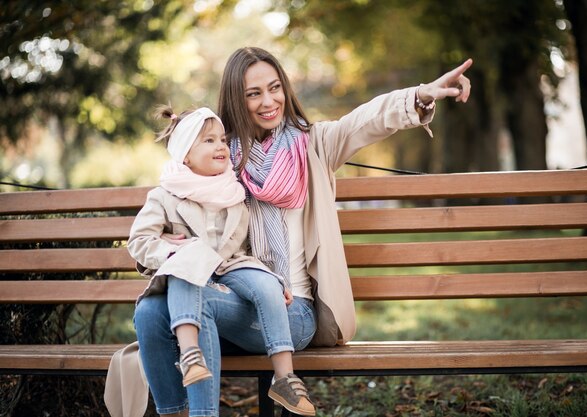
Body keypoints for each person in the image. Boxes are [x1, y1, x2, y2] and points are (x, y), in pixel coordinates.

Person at [111, 47, 472, 417]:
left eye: (274, 88)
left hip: (291, 311)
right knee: (150, 311)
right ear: (237, 99)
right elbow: (182, 212)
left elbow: (364, 121)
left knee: (188, 304)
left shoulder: (312, 144)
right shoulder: (220, 157)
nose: (268, 101)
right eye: (254, 93)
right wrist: (177, 246)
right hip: (228, 296)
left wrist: (421, 95)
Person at [127, 105, 316, 416]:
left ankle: (284, 379)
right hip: (187, 274)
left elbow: (239, 246)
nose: (220, 147)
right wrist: (175, 252)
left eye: (222, 140)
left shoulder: (233, 190)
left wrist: (275, 279)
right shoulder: (164, 195)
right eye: (208, 141)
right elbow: (139, 242)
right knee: (154, 304)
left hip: (231, 270)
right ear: (185, 155)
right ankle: (180, 398)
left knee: (267, 285)